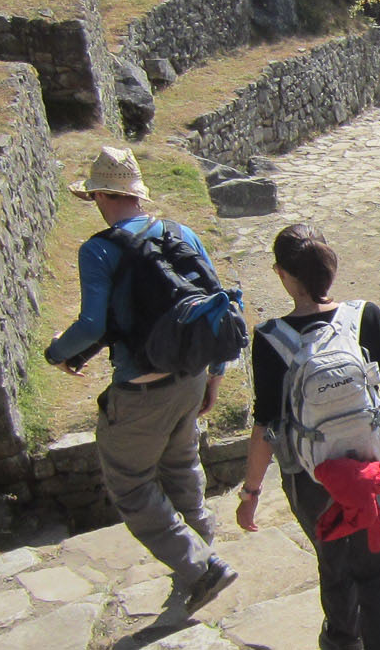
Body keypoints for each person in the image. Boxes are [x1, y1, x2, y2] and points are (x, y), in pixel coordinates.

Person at [44, 146, 238, 614]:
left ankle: (200, 565)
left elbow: (92, 324)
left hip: (142, 385)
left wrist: (57, 352)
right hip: (190, 374)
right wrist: (215, 374)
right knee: (179, 462)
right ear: (136, 194)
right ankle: (202, 543)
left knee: (130, 485)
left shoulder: (99, 249)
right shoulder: (181, 232)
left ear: (100, 196)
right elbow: (217, 301)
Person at [237, 224, 380, 650]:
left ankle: (341, 640)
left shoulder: (269, 340)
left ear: (282, 274)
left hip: (312, 479)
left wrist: (251, 491)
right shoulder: (365, 317)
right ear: (330, 269)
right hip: (378, 472)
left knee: (335, 568)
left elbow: (266, 428)